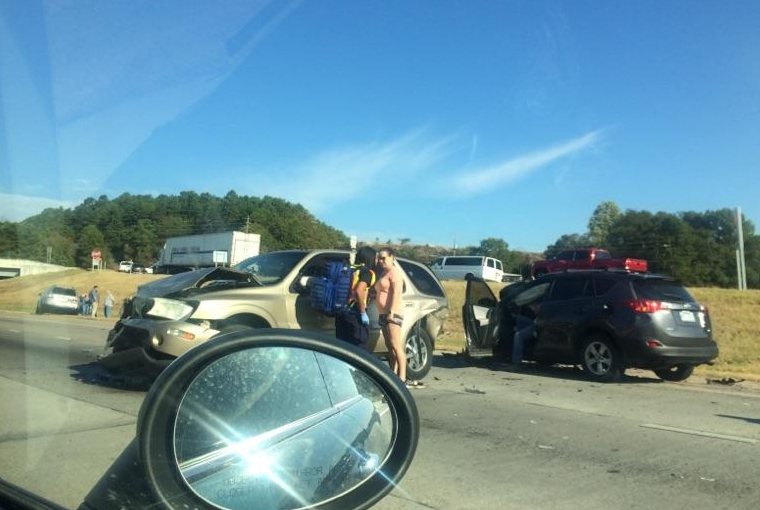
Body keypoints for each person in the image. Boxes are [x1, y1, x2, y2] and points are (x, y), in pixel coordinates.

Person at [375, 247, 423, 388]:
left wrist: (392, 311)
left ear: (392, 257)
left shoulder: (395, 273)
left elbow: (396, 293)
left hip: (393, 314)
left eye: (384, 258)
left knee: (397, 346)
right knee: (390, 347)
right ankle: (393, 374)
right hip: (383, 313)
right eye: (380, 258)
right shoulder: (384, 273)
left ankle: (402, 379)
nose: (381, 261)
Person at [335, 246, 376, 348]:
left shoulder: (349, 268)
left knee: (343, 347)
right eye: (375, 257)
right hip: (355, 313)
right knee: (359, 347)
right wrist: (363, 313)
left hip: (341, 311)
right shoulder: (367, 272)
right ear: (369, 258)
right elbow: (359, 290)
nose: (376, 260)